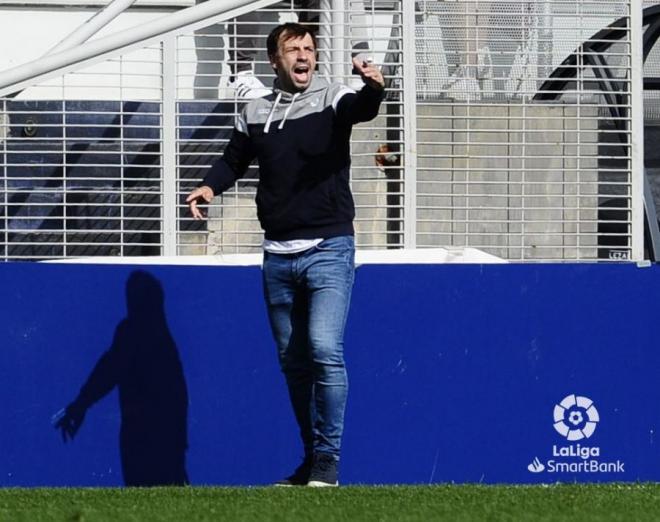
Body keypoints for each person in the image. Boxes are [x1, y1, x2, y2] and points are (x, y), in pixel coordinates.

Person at [186, 22, 384, 487]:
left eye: (309, 49)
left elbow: (362, 109)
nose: (304, 56)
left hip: (329, 247)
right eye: (293, 49)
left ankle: (329, 461)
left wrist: (372, 85)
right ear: (275, 59)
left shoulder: (334, 96)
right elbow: (234, 159)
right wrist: (210, 187)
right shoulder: (256, 109)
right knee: (294, 364)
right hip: (277, 254)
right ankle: (312, 459)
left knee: (323, 349)